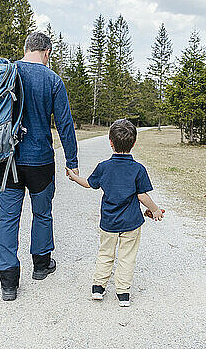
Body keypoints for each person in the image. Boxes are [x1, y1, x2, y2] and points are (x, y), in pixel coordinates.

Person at [0, 32, 79, 301]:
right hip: (40, 161)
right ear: (47, 52)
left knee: (7, 218)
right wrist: (72, 162)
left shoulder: (6, 72)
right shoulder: (52, 80)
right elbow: (65, 124)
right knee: (42, 214)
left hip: (6, 160)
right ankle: (41, 266)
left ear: (25, 48)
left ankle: (8, 282)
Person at [65, 119, 164, 307]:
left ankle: (98, 288)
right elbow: (142, 196)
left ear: (110, 141)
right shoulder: (138, 169)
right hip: (131, 223)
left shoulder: (104, 167)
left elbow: (89, 184)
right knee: (127, 256)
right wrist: (156, 210)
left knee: (105, 253)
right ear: (134, 143)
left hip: (109, 222)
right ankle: (123, 293)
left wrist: (74, 177)